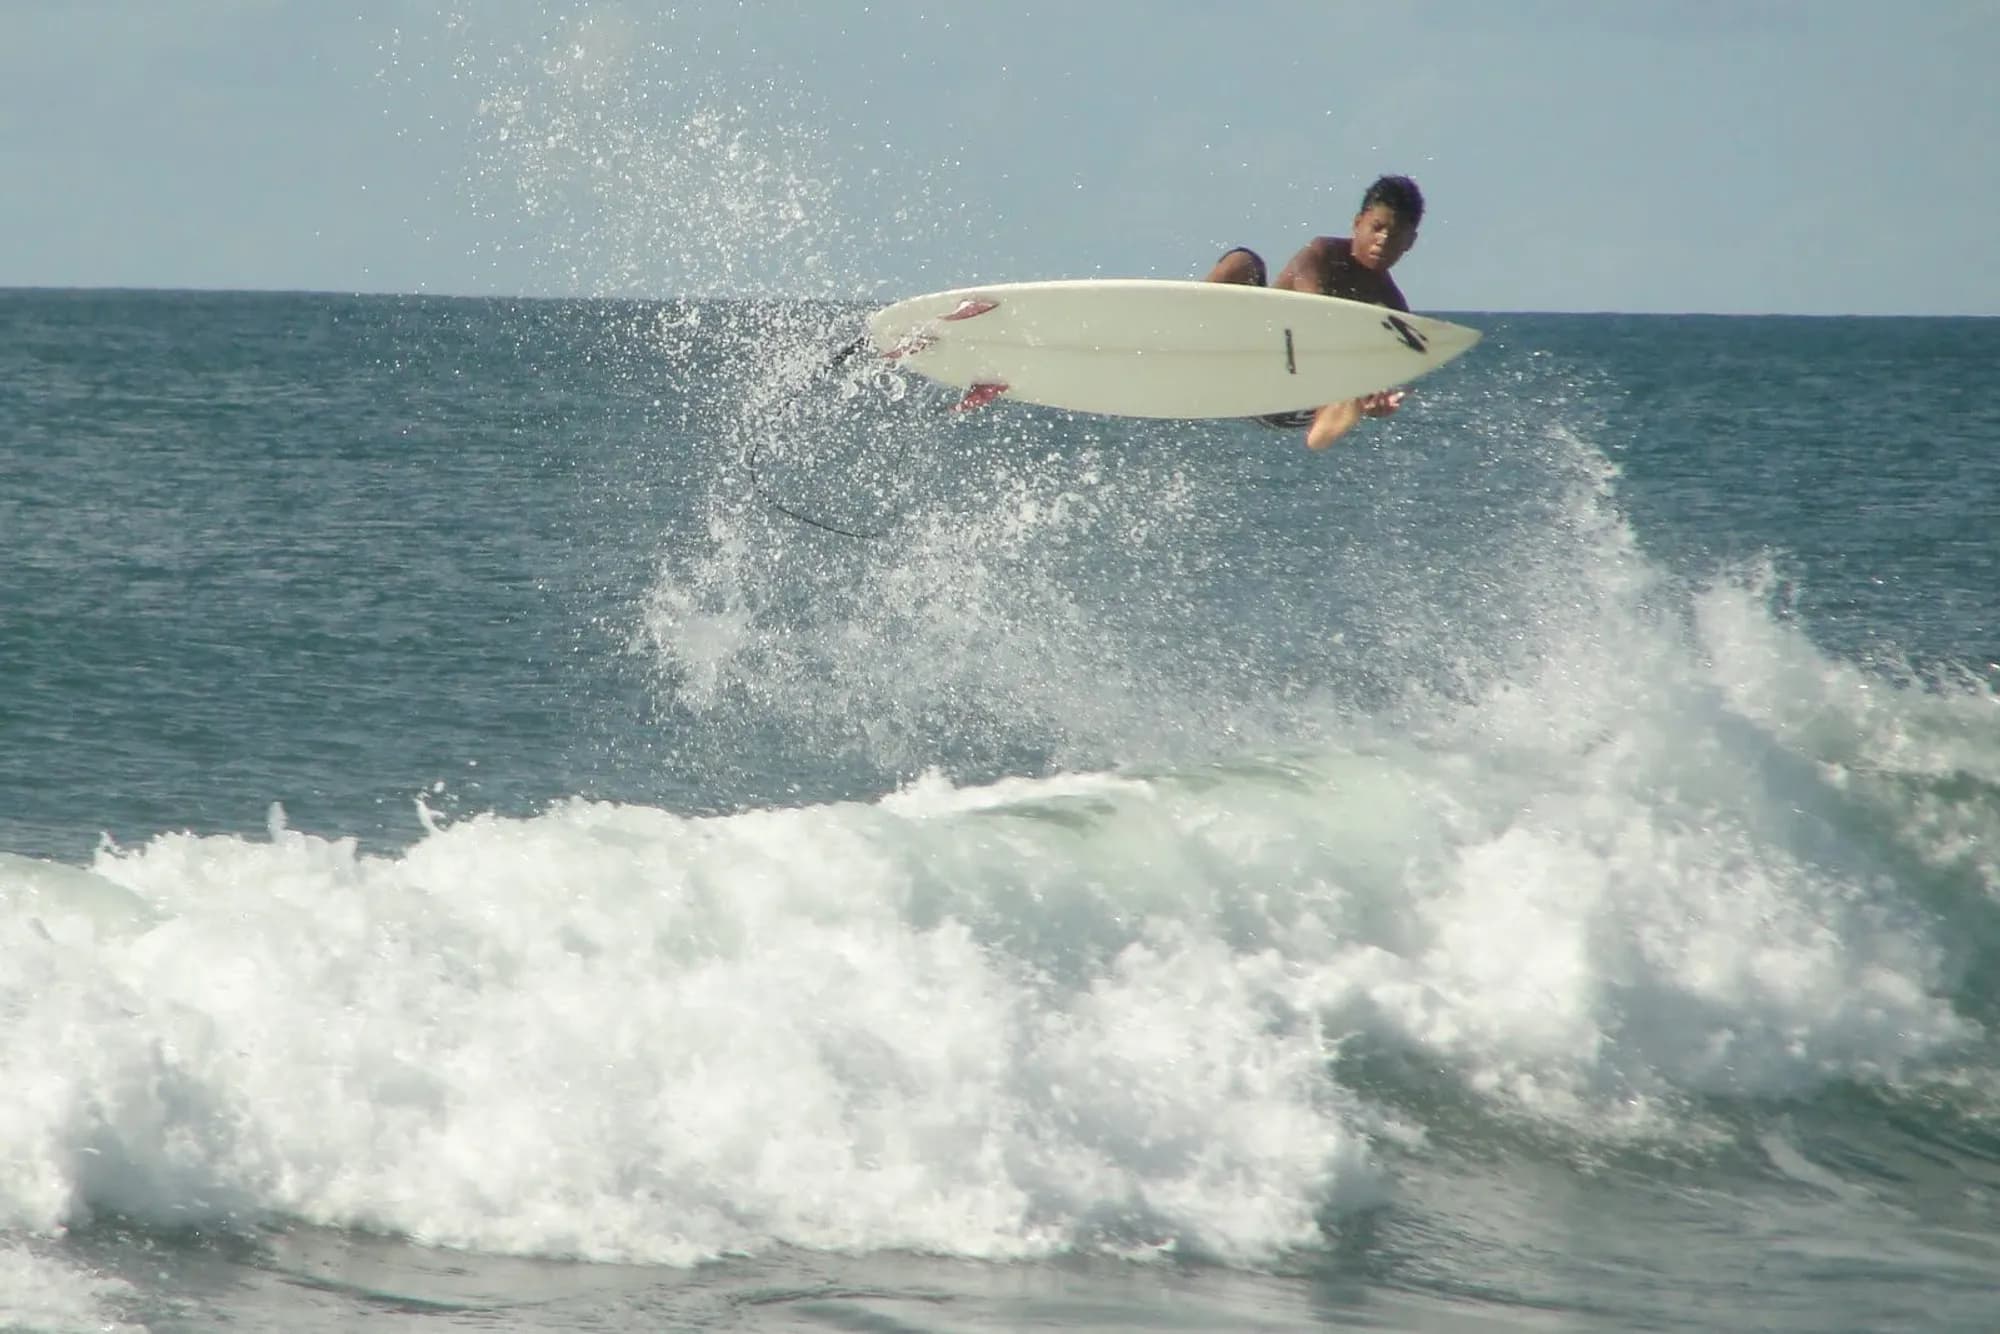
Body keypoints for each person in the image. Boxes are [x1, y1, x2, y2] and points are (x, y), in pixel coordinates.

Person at [1205, 174, 1424, 450]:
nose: (1383, 240)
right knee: (1242, 263)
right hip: (1255, 362)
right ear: (1357, 223)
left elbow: (1394, 371)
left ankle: (1342, 415)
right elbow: (1316, 314)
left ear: (1410, 242)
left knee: (1353, 386)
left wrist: (1377, 397)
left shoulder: (1393, 309)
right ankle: (1187, 336)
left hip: (1292, 404)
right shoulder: (1322, 255)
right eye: (1377, 227)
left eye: (1395, 235)